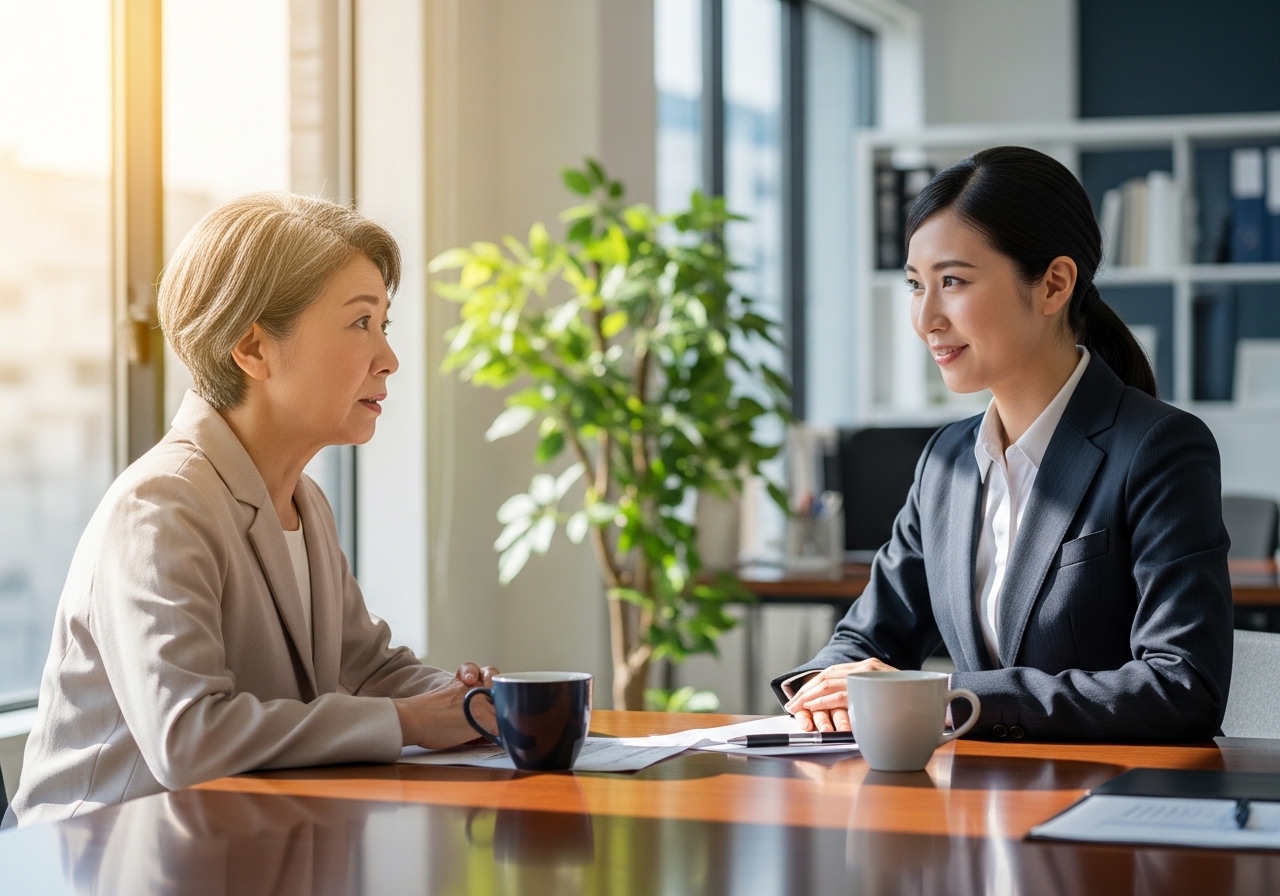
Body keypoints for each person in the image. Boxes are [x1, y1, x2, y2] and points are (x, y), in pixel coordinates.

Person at [6, 194, 498, 827]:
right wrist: (409, 722)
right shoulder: (161, 505)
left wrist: (472, 701)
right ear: (254, 349)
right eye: (360, 323)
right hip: (97, 861)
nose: (389, 358)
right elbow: (191, 737)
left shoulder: (305, 502)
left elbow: (368, 668)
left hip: (231, 849)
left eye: (385, 326)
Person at [775, 147, 1233, 742]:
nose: (926, 317)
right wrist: (826, 684)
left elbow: (1183, 686)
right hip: (976, 805)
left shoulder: (1159, 447)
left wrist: (953, 695)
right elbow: (868, 635)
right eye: (916, 285)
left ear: (1054, 285)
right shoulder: (946, 462)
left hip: (1105, 806)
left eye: (953, 282)